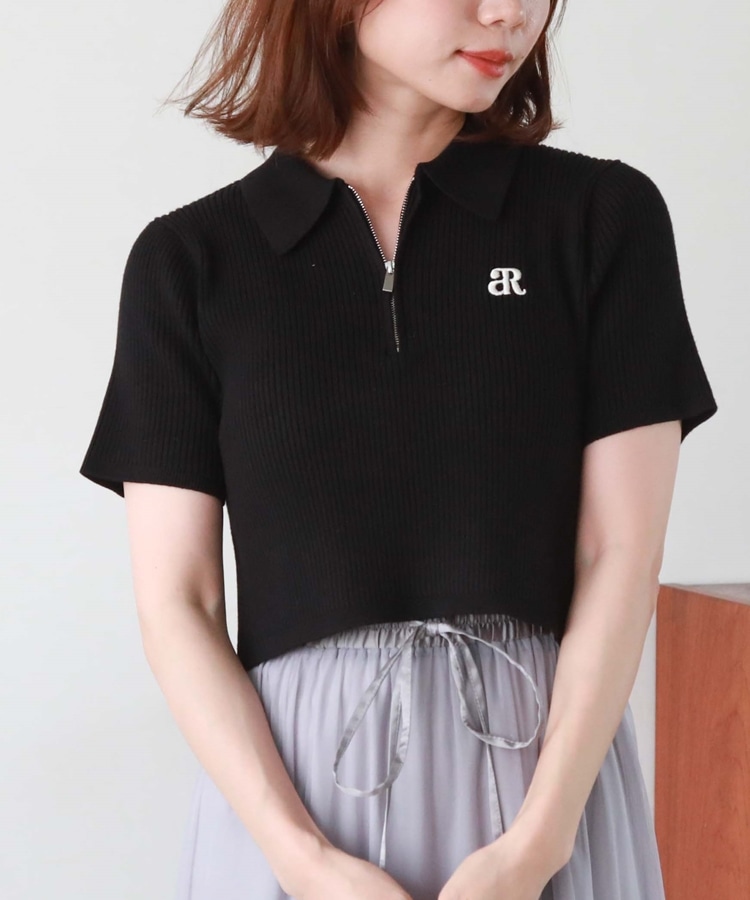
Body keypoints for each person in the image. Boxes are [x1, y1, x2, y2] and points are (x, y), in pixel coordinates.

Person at [79, 0, 719, 898]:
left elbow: (619, 551)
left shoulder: (600, 218)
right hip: (296, 799)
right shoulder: (190, 262)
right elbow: (179, 602)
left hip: (544, 780)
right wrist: (302, 861)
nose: (510, 13)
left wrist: (537, 845)